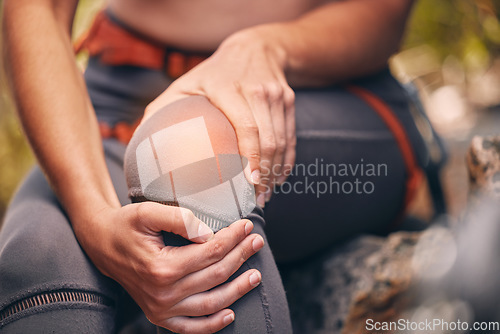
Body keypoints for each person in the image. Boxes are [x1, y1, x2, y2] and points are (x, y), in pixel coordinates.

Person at [0, 0, 427, 333]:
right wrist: (94, 219)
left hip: (318, 90)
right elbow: (37, 10)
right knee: (38, 261)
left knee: (188, 157)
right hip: (117, 101)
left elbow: (384, 14)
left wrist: (263, 47)